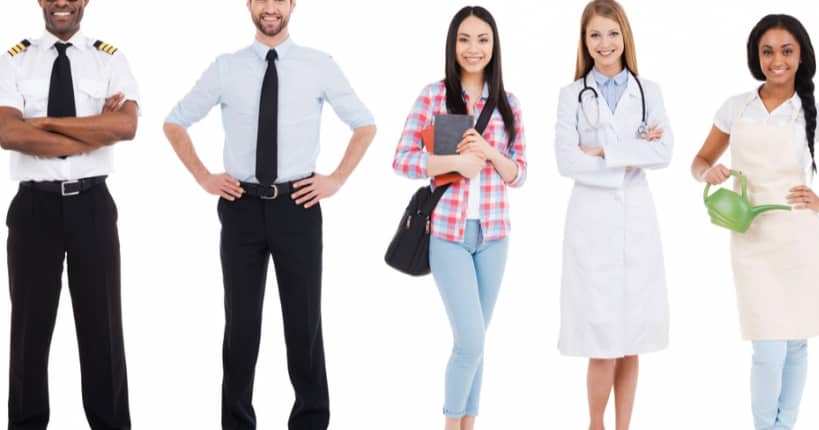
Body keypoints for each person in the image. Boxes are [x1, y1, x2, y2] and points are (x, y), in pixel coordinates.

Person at [162, 0, 378, 427]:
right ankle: (237, 421)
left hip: (298, 205)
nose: (270, 7)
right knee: (240, 325)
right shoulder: (226, 67)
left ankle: (311, 420)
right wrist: (204, 176)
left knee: (304, 324)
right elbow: (175, 121)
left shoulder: (319, 65)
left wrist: (336, 178)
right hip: (239, 206)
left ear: (292, 4)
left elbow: (364, 124)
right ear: (249, 4)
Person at [689, 13, 819, 430]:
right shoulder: (735, 108)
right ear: (756, 56)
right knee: (767, 349)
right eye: (767, 51)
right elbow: (699, 161)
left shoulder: (815, 113)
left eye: (786, 51)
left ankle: (784, 426)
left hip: (799, 240)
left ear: (801, 56)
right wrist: (707, 173)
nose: (777, 60)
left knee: (795, 345)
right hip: (750, 240)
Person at [0, 0, 138, 428]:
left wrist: (39, 125)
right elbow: (7, 132)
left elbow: (125, 127)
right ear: (40, 1)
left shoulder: (110, 59)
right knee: (29, 333)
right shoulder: (14, 60)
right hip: (34, 210)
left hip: (93, 206)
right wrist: (94, 127)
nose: (62, 2)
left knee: (103, 332)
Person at [391, 6, 527, 430]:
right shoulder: (433, 96)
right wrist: (453, 161)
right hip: (447, 234)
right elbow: (402, 160)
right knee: (469, 341)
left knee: (477, 343)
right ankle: (452, 426)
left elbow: (519, 174)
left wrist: (488, 155)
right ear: (452, 45)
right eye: (464, 39)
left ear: (494, 46)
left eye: (482, 39)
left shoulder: (509, 104)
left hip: (494, 236)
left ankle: (469, 424)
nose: (473, 48)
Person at [554, 1, 670, 430]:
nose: (605, 44)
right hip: (591, 223)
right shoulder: (571, 95)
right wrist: (630, 156)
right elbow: (567, 162)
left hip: (637, 222)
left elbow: (663, 153)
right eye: (595, 35)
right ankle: (595, 424)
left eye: (612, 33)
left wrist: (604, 151)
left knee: (632, 339)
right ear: (585, 42)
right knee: (602, 339)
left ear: (626, 36)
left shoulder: (648, 91)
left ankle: (623, 427)